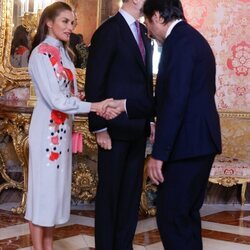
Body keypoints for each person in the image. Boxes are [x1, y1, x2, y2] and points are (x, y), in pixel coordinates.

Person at [24, 2, 119, 250]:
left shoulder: (65, 54)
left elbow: (68, 95)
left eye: (72, 22)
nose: (71, 27)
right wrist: (95, 107)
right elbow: (55, 99)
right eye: (65, 21)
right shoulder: (41, 53)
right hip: (46, 133)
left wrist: (83, 99)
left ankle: (48, 246)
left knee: (54, 195)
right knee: (42, 195)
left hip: (63, 131)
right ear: (49, 22)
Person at [142, 1, 222, 249]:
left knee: (172, 215)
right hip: (197, 142)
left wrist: (159, 154)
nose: (147, 31)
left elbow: (175, 101)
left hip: (189, 144)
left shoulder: (180, 43)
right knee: (184, 217)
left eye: (147, 23)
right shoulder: (188, 39)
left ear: (157, 16)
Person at [85, 0, 154, 249]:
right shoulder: (108, 31)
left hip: (138, 127)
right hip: (112, 129)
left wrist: (150, 120)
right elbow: (94, 81)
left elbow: (147, 86)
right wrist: (99, 127)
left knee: (130, 196)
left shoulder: (144, 33)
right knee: (110, 195)